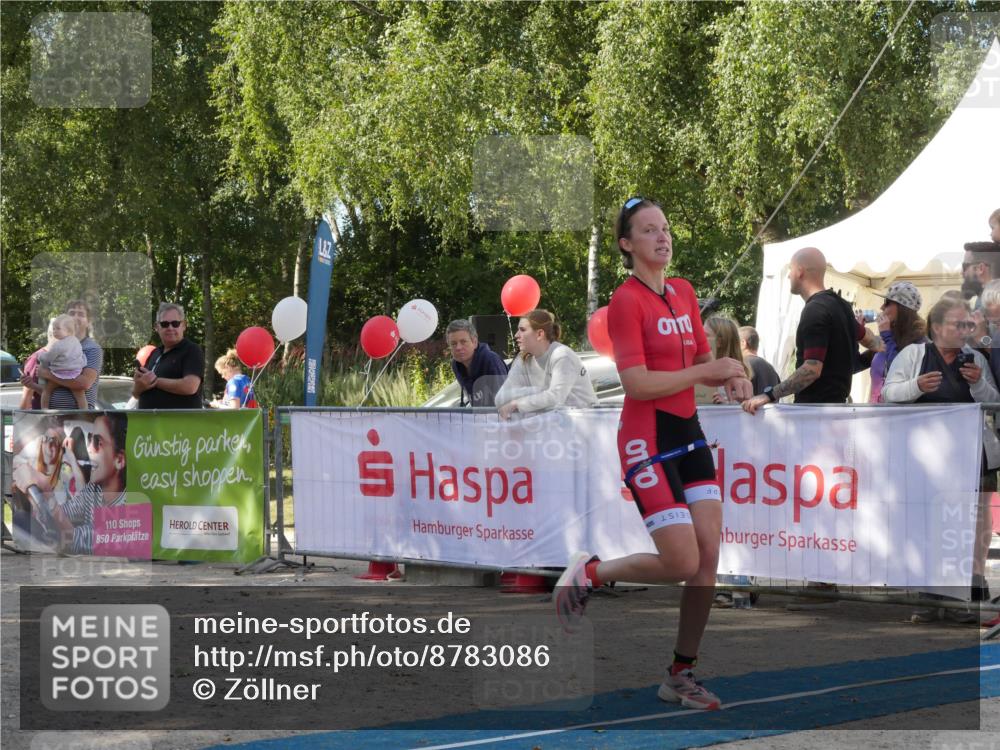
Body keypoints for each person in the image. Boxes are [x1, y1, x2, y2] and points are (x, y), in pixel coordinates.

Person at [555, 197, 751, 711]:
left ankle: (680, 674)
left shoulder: (684, 292)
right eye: (648, 230)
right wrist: (703, 374)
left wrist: (731, 375)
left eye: (665, 228)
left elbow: (704, 357)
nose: (662, 237)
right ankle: (588, 574)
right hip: (646, 438)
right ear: (627, 244)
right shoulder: (625, 302)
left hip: (688, 432)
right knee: (682, 559)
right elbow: (637, 384)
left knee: (708, 555)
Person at [882, 296, 1000, 621]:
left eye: (967, 324)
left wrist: (978, 385)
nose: (964, 330)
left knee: (971, 530)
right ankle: (931, 598)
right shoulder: (914, 355)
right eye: (957, 324)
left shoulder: (974, 357)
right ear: (936, 328)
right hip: (927, 461)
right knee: (930, 527)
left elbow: (994, 401)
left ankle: (966, 602)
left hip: (974, 457)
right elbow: (889, 392)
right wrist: (915, 386)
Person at [743, 247, 883, 414]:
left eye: (791, 270)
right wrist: (891, 343)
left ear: (800, 271)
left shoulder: (815, 310)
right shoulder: (842, 306)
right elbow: (873, 343)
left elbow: (812, 369)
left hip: (814, 413)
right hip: (838, 410)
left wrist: (769, 395)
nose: (789, 275)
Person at [12, 413, 127, 555]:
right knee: (22, 519)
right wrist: (34, 495)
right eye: (90, 438)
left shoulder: (126, 506)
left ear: (119, 460)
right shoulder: (94, 488)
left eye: (98, 442)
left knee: (25, 523)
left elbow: (73, 540)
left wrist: (46, 491)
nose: (89, 448)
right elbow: (65, 513)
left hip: (99, 569)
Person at [494, 309, 597, 419]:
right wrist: (537, 391)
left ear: (539, 334)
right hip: (554, 427)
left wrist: (517, 404)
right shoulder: (523, 359)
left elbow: (556, 398)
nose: (516, 335)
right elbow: (500, 398)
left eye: (522, 330)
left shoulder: (562, 355)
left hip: (584, 423)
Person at [21, 299, 103, 410]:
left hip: (78, 421)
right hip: (53, 419)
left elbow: (84, 384)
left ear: (88, 321)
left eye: (81, 314)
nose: (75, 317)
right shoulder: (56, 347)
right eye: (72, 313)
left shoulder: (92, 348)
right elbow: (50, 390)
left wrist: (48, 374)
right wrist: (32, 385)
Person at [133, 302, 205, 409]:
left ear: (184, 325)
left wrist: (154, 381)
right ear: (157, 327)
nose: (170, 328)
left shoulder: (191, 350)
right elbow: (136, 394)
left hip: (179, 423)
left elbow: (190, 386)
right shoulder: (154, 353)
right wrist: (139, 386)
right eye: (164, 324)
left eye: (175, 323)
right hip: (150, 423)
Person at [867, 282, 927, 403]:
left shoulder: (920, 342)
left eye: (887, 303)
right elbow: (855, 364)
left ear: (902, 307)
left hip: (898, 416)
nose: (882, 308)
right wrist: (858, 335)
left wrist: (887, 336)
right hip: (875, 415)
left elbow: (896, 372)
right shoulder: (888, 337)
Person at [445, 319, 508, 407]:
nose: (458, 347)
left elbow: (505, 401)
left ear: (474, 342)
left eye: (463, 342)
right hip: (478, 418)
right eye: (453, 344)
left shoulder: (491, 360)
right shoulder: (456, 364)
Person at [695, 317, 753, 404]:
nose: (699, 339)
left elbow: (746, 406)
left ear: (719, 342)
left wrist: (728, 403)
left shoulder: (737, 374)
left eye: (704, 336)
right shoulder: (696, 365)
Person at [38, 315, 88, 410]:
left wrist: (40, 356)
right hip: (75, 373)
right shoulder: (76, 341)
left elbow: (48, 358)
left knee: (47, 391)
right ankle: (84, 412)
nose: (54, 331)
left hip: (59, 373)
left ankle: (44, 410)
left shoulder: (58, 345)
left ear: (68, 331)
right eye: (53, 328)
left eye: (58, 329)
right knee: (80, 395)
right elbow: (80, 354)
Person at [738, 326, 780, 396]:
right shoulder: (771, 368)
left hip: (750, 406)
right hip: (771, 407)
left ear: (743, 343)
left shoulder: (743, 365)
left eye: (735, 343)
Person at [962, 240, 1000, 309]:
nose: (962, 273)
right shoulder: (983, 300)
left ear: (981, 268)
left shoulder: (990, 306)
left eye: (965, 267)